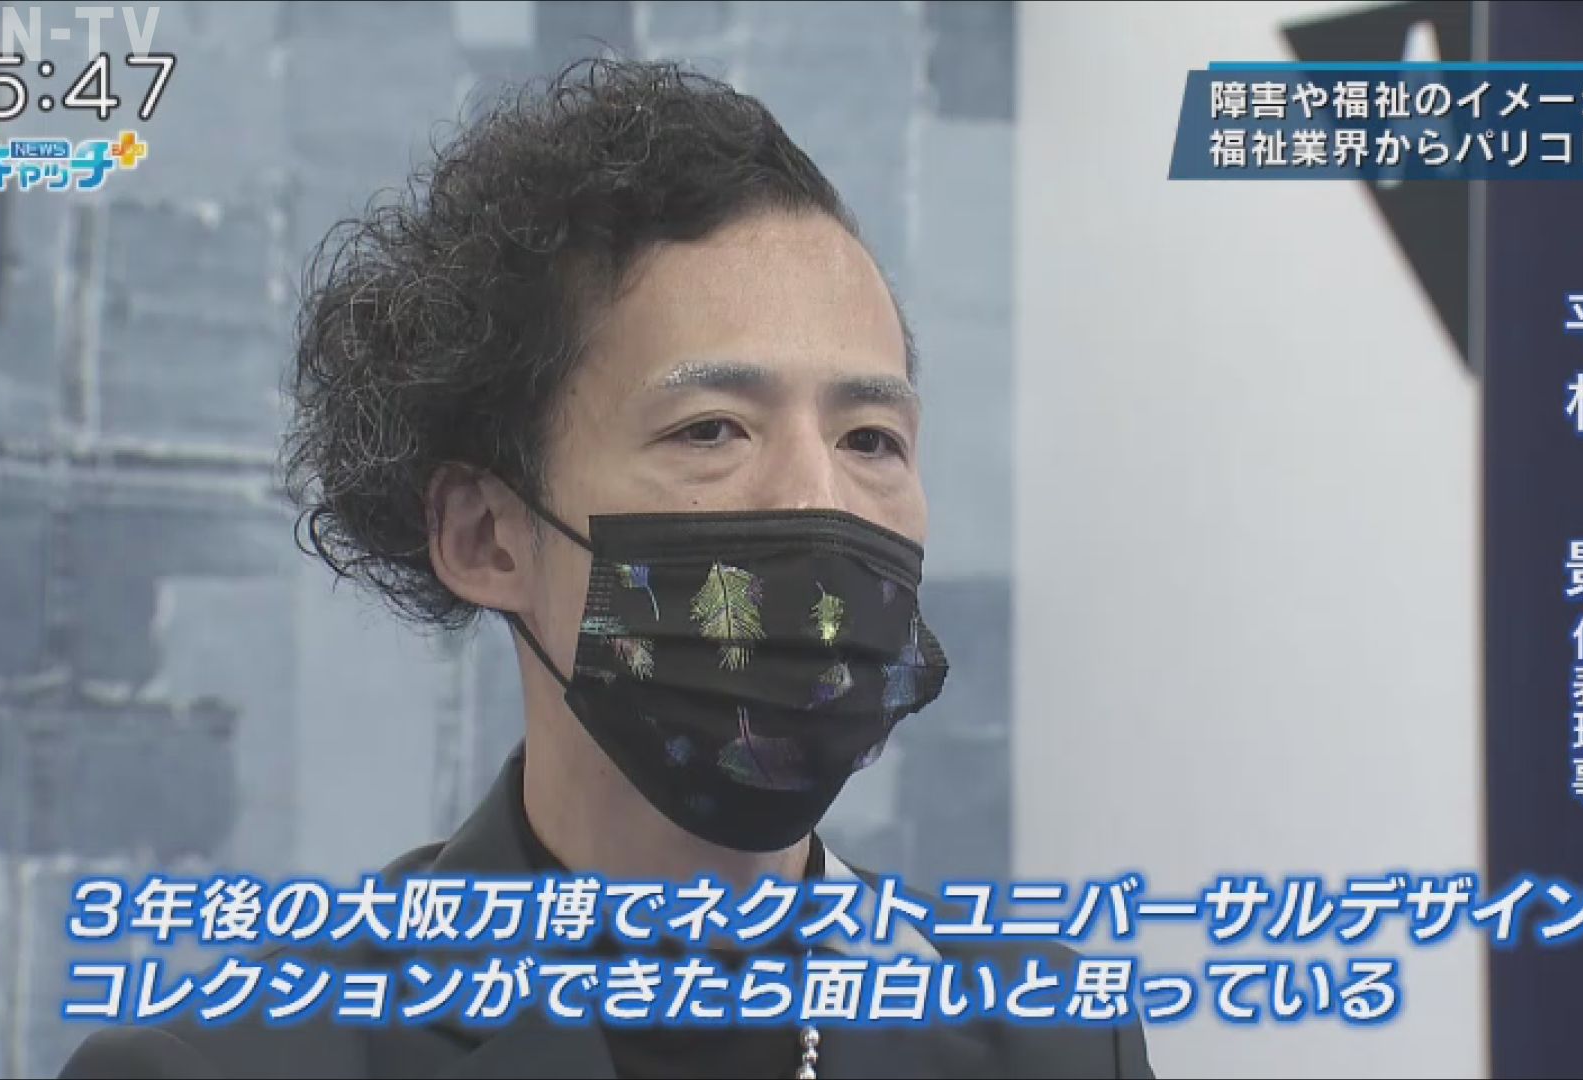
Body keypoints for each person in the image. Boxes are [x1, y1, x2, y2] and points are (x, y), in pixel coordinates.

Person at [60, 58, 1156, 1080]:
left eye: (871, 438)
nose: (817, 500)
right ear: (485, 536)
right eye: (712, 429)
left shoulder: (1053, 1041)